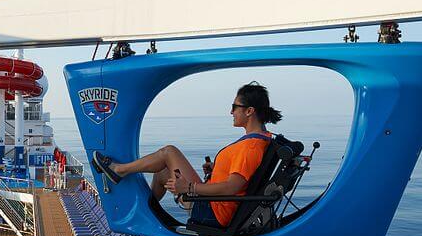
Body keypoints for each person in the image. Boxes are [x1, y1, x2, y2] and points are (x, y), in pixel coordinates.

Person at [92, 82, 282, 228]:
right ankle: (144, 209)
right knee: (163, 173)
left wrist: (189, 187)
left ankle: (118, 170)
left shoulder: (250, 146)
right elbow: (241, 177)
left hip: (212, 212)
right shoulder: (259, 140)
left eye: (235, 106)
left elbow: (233, 187)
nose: (231, 111)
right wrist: (216, 171)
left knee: (169, 152)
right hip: (212, 205)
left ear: (249, 111)